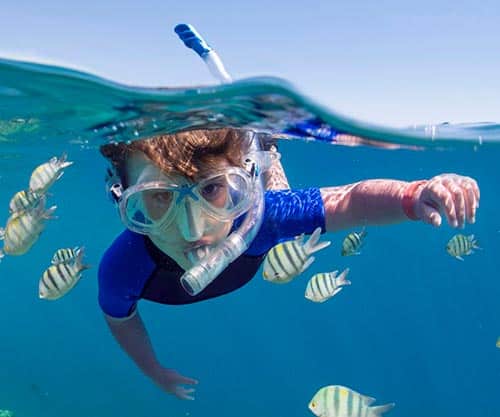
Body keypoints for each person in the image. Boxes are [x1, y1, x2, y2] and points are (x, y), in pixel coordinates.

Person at [98, 127, 479, 400]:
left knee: (280, 197)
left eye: (212, 188)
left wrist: (414, 193)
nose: (191, 228)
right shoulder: (122, 268)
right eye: (159, 197)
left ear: (237, 182)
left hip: (260, 201)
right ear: (122, 198)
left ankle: (266, 152)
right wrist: (151, 369)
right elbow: (122, 319)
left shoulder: (262, 218)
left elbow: (352, 201)